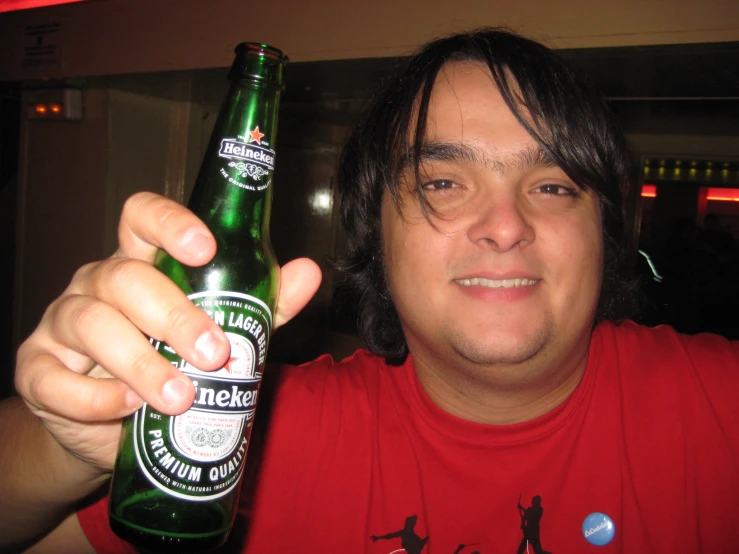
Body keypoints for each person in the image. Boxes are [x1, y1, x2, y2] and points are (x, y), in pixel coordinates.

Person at [2, 27, 738, 554]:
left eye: (551, 184)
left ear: (605, 230)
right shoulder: (260, 433)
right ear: (373, 231)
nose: (505, 227)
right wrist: (68, 441)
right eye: (444, 183)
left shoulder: (718, 407)